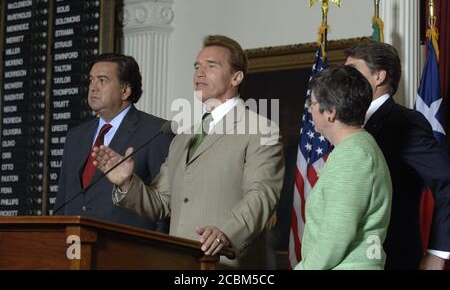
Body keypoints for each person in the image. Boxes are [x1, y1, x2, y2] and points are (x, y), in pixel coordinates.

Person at [91, 35, 285, 268]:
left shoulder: (260, 129)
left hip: (225, 263)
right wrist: (126, 183)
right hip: (179, 262)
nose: (199, 73)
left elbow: (261, 195)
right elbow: (162, 202)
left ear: (237, 76)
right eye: (197, 67)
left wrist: (226, 234)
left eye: (211, 66)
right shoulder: (183, 137)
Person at [345, 42, 450, 270]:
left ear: (379, 76)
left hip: (393, 259)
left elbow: (447, 181)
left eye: (353, 72)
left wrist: (437, 253)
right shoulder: (349, 125)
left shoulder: (403, 122)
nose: (346, 80)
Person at [54, 53, 171, 232]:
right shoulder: (75, 136)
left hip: (127, 250)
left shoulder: (157, 131)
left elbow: (164, 206)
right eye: (91, 80)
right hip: (74, 247)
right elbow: (63, 201)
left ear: (125, 90)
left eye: (102, 80)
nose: (93, 87)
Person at [294, 65, 392, 270]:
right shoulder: (356, 148)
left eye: (312, 102)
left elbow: (336, 234)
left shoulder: (353, 154)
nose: (310, 109)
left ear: (330, 112)